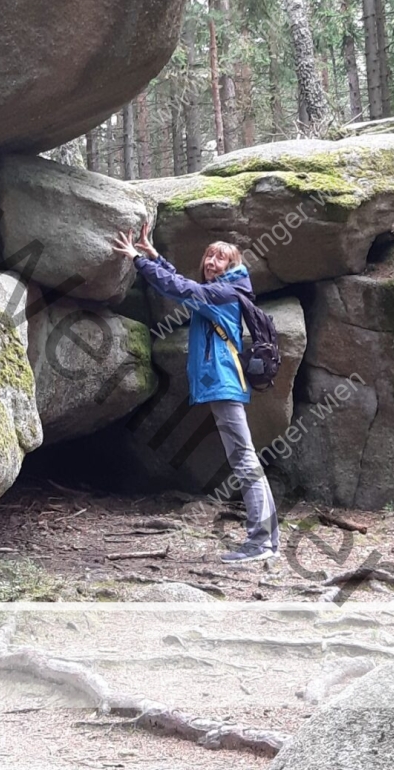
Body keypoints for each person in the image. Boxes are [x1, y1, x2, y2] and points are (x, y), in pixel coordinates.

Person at [110, 222, 279, 563]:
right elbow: (185, 286)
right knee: (244, 458)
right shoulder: (222, 291)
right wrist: (156, 257)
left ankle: (261, 541)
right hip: (222, 382)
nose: (211, 262)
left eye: (221, 258)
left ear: (232, 267)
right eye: (209, 256)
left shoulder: (225, 294)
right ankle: (266, 540)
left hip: (224, 382)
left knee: (244, 459)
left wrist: (138, 261)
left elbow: (183, 290)